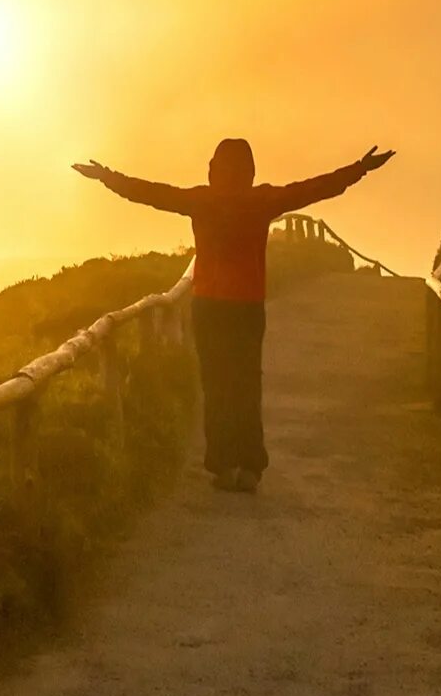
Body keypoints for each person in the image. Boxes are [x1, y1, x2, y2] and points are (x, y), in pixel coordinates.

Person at [72, 140, 395, 493]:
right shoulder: (261, 201)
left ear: (214, 169)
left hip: (209, 306)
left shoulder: (201, 200)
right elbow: (314, 189)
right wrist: (359, 169)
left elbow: (150, 192)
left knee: (217, 386)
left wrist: (106, 176)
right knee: (246, 385)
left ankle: (223, 465)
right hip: (247, 307)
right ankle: (251, 466)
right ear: (250, 171)